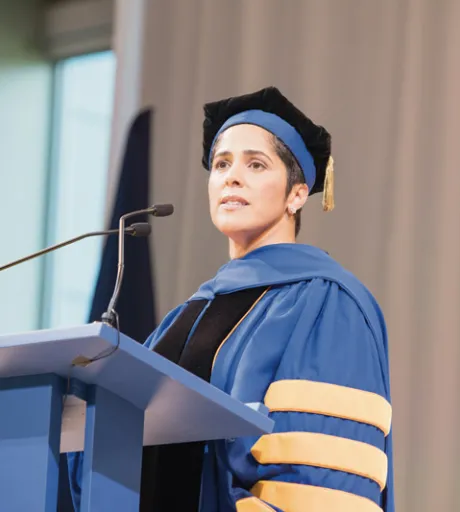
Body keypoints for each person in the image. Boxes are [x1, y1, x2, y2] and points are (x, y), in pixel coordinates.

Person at [69, 86, 394, 512]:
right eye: (221, 164)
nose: (231, 176)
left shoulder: (327, 305)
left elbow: (318, 482)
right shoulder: (184, 318)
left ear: (297, 194)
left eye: (255, 164)